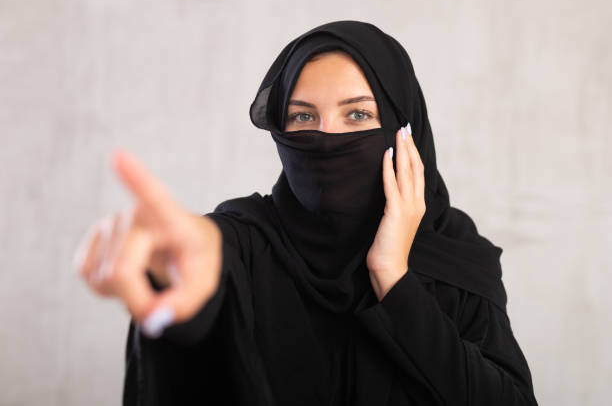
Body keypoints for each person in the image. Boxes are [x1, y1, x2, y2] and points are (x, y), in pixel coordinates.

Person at [74, 20, 539, 405]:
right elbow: (208, 266)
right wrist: (180, 275)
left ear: (404, 133)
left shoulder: (452, 250)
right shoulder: (246, 241)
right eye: (302, 117)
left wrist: (395, 280)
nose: (325, 137)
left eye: (357, 115)